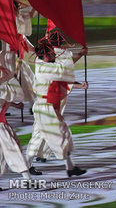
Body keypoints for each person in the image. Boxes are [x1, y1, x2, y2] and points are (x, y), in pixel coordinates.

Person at [27, 40, 88, 177]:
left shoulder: (44, 63)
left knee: (56, 135)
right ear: (46, 55)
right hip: (44, 108)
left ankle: (70, 167)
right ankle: (27, 167)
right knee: (60, 135)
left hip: (48, 106)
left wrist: (79, 86)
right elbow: (63, 71)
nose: (54, 55)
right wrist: (80, 54)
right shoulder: (44, 68)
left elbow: (61, 78)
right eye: (52, 53)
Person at [0, 57, 33, 185]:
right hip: (1, 126)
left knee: (3, 154)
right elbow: (9, 95)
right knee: (14, 149)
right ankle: (28, 180)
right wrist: (10, 78)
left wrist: (15, 105)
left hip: (2, 124)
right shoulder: (4, 81)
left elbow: (6, 97)